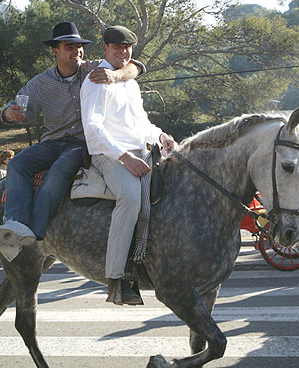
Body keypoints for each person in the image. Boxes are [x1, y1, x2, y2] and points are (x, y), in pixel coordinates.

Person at [0, 22, 145, 262]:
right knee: (18, 163)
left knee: (61, 168)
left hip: (82, 143)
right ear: (56, 51)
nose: (77, 52)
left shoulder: (92, 70)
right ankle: (15, 223)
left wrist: (115, 75)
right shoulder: (40, 83)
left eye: (79, 47)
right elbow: (17, 108)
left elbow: (136, 67)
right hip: (52, 141)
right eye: (69, 47)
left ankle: (37, 232)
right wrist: (9, 113)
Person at [81, 25, 175, 305]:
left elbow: (140, 123)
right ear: (105, 49)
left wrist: (159, 135)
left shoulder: (130, 83)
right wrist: (125, 157)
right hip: (107, 155)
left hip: (138, 150)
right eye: (117, 47)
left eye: (127, 48)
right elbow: (94, 130)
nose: (123, 52)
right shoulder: (96, 81)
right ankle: (117, 279)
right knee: (131, 197)